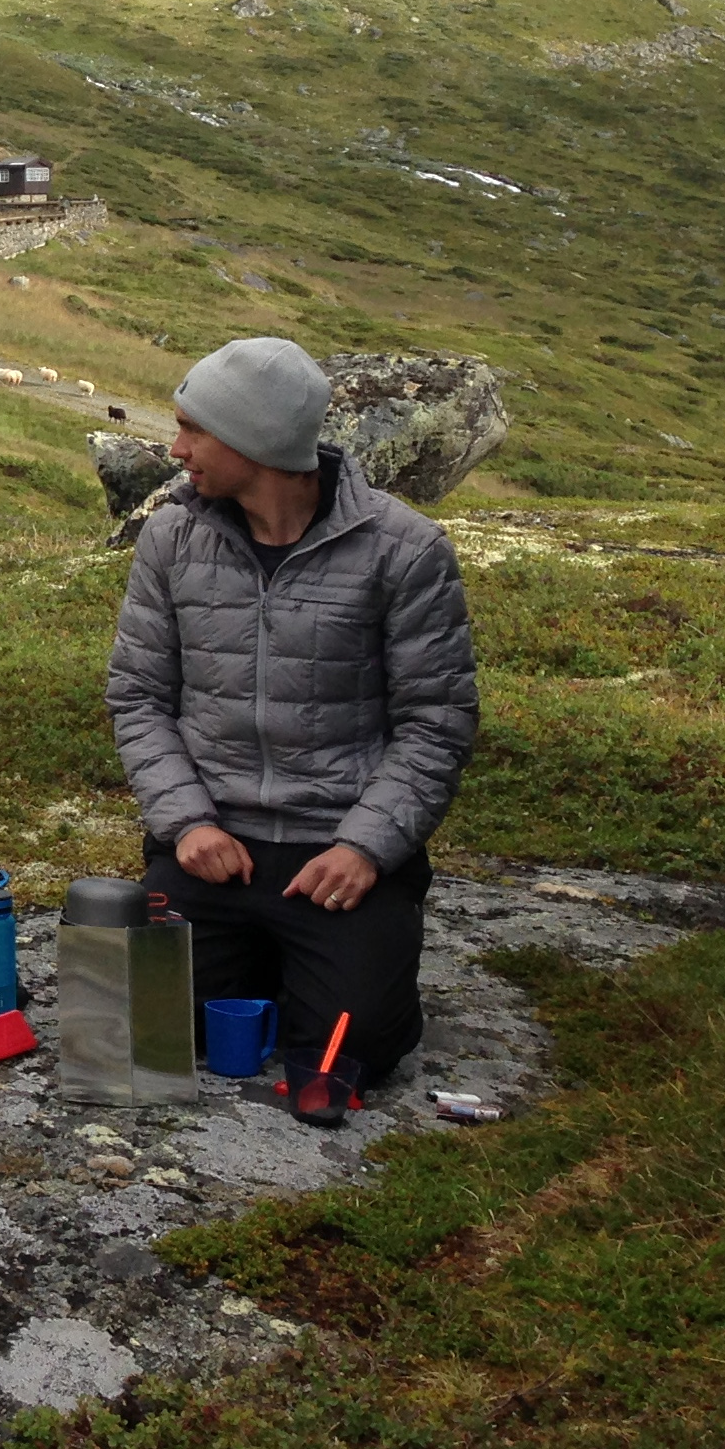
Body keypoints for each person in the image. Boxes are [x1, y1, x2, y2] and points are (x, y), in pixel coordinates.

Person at [102, 336, 478, 1085]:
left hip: (337, 852)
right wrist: (188, 824)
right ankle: (267, 958)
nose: (176, 450)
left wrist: (366, 848)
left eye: (193, 429)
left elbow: (437, 722)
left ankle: (327, 959)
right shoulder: (172, 537)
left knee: (351, 1048)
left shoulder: (405, 550)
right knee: (141, 1024)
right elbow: (138, 696)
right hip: (211, 846)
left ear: (255, 439)